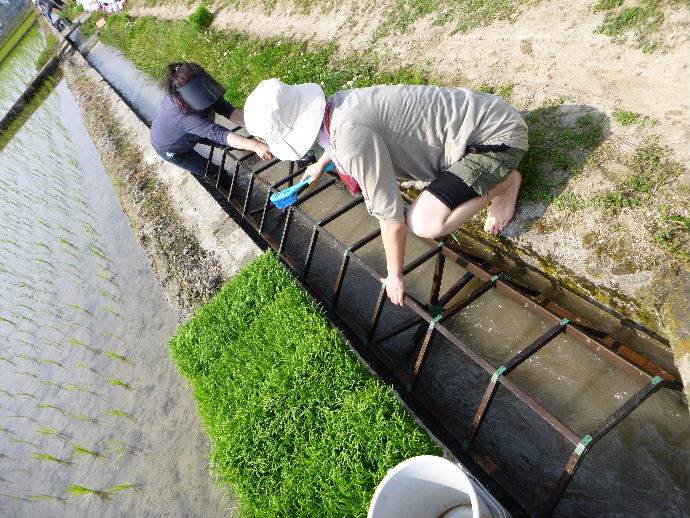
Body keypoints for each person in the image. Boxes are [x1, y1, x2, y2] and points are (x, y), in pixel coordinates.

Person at [244, 79, 528, 306]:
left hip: (498, 141)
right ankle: (493, 179)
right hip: (487, 115)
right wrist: (321, 163)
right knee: (424, 216)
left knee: (424, 223)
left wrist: (395, 276)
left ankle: (503, 183)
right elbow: (344, 137)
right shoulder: (339, 105)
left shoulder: (350, 138)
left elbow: (391, 218)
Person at [150, 63, 272, 178]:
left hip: (196, 129)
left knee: (238, 143)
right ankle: (228, 184)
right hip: (173, 148)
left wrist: (254, 129)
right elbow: (218, 134)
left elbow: (226, 109)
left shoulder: (198, 89)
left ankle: (250, 157)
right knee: (216, 173)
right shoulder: (183, 115)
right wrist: (256, 146)